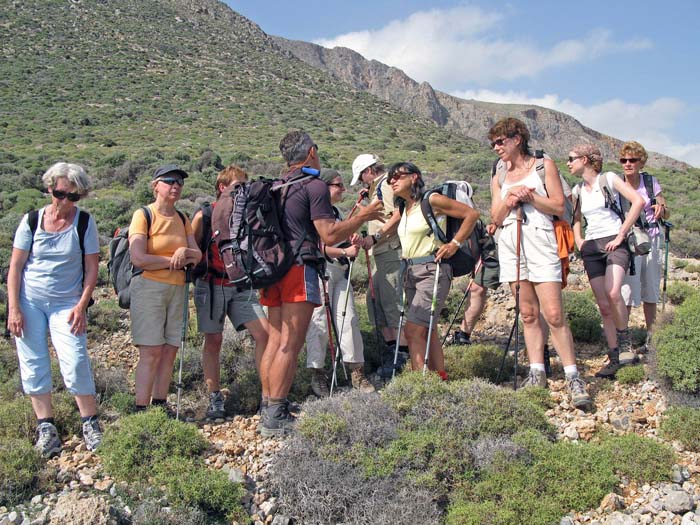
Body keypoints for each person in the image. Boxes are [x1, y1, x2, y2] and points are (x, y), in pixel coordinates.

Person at [258, 131, 383, 437]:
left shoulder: (277, 185)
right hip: (299, 269)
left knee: (275, 340)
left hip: (273, 269)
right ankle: (276, 412)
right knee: (290, 342)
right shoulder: (313, 185)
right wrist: (364, 215)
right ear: (311, 152)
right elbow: (328, 235)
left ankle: (267, 404)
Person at [490, 118, 590, 408]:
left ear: (517, 139)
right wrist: (509, 199)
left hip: (541, 240)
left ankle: (573, 376)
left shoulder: (544, 165)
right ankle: (537, 372)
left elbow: (558, 206)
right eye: (494, 143)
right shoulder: (498, 174)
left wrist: (530, 196)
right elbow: (495, 218)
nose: (497, 147)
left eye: (501, 141)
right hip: (511, 242)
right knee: (528, 313)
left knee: (554, 313)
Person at [7, 162, 102, 456]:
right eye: (61, 194)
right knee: (33, 362)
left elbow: (91, 269)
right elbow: (16, 267)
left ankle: (91, 423)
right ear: (50, 188)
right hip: (30, 301)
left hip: (67, 303)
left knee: (74, 359)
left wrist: (82, 304)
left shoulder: (84, 223)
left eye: (73, 196)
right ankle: (46, 427)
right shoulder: (32, 220)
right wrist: (14, 308)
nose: (65, 202)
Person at [191, 165, 269, 419]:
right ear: (222, 188)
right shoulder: (205, 215)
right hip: (211, 285)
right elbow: (193, 248)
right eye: (237, 186)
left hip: (240, 285)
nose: (242, 191)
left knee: (264, 334)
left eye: (245, 185)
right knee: (213, 340)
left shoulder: (246, 215)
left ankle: (268, 394)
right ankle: (214, 398)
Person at [389, 162, 480, 376]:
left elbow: (472, 215)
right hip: (410, 272)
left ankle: (419, 386)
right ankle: (440, 378)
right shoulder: (405, 207)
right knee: (428, 330)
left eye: (397, 176)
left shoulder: (431, 200)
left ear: (414, 177)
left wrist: (454, 244)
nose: (392, 181)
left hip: (433, 270)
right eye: (390, 179)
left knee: (413, 331)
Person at [129, 165, 202, 412]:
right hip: (149, 287)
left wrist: (186, 253)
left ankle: (160, 405)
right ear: (155, 186)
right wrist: (173, 261)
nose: (176, 186)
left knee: (170, 350)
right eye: (170, 181)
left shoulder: (183, 219)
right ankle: (141, 408)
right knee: (150, 351)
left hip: (177, 289)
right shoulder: (143, 215)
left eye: (180, 182)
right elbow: (138, 257)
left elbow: (197, 256)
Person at [568, 144, 644, 378]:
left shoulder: (609, 179)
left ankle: (625, 343)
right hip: (592, 247)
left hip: (614, 242)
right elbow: (576, 218)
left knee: (613, 293)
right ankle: (614, 357)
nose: (568, 163)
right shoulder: (578, 189)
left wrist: (621, 234)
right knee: (603, 304)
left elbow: (638, 201)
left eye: (572, 158)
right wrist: (579, 240)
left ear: (586, 159)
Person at [305, 169, 375, 396]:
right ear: (325, 187)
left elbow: (338, 238)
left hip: (340, 271)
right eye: (338, 185)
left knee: (350, 319)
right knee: (319, 323)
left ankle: (356, 371)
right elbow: (318, 246)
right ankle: (317, 374)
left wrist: (350, 241)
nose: (343, 189)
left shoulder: (333, 212)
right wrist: (345, 251)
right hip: (321, 270)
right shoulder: (313, 213)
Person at [350, 154, 407, 361]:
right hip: (382, 253)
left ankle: (401, 356)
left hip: (390, 250)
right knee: (375, 301)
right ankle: (392, 349)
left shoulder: (385, 185)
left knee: (392, 303)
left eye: (361, 177)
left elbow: (397, 215)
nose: (362, 182)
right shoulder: (378, 188)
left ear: (368, 172)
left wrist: (374, 238)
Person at [618, 141, 670, 357]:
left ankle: (651, 339)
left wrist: (662, 209)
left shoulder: (650, 182)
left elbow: (665, 212)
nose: (628, 164)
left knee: (650, 289)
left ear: (641, 162)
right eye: (624, 160)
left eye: (633, 160)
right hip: (629, 242)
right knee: (627, 292)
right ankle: (624, 342)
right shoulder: (617, 184)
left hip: (651, 238)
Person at [451, 226, 500, 345]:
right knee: (477, 287)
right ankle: (463, 336)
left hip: (515, 236)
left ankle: (541, 347)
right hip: (494, 238)